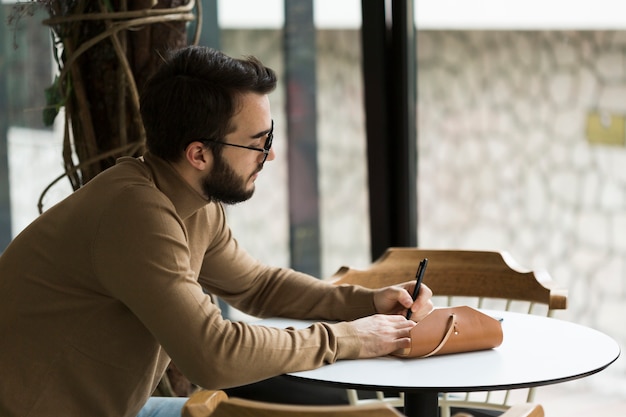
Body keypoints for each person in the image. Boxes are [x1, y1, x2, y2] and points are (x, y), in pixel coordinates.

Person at [0, 46, 433, 417]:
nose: (271, 154)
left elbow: (258, 287)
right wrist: (347, 338)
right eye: (258, 143)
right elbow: (215, 355)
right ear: (199, 154)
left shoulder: (189, 201)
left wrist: (366, 302)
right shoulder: (134, 213)